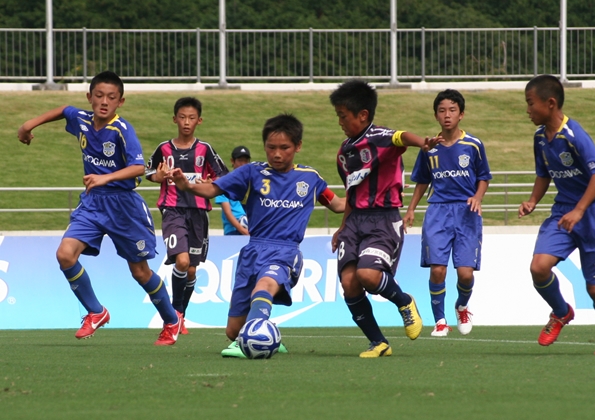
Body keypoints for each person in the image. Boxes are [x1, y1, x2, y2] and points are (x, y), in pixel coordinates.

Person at [17, 71, 183, 345]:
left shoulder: (122, 129)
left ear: (121, 102)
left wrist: (104, 177)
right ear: (89, 97)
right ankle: (96, 311)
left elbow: (139, 167)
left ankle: (171, 320)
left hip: (124, 207)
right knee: (65, 255)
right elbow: (64, 110)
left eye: (111, 97)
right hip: (93, 203)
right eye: (99, 95)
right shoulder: (81, 120)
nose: (104, 101)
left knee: (140, 272)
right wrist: (28, 125)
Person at [169, 113, 345, 358]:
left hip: (285, 250)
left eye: (285, 148)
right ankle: (267, 336)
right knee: (232, 331)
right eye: (271, 147)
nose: (277, 154)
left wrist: (372, 199)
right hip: (253, 250)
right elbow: (213, 188)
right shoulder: (252, 172)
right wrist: (187, 186)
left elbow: (337, 204)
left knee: (265, 285)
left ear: (298, 146)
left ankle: (253, 337)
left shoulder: (310, 178)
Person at [330, 79, 433, 358]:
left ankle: (404, 301)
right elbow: (351, 193)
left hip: (382, 221)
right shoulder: (343, 153)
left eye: (343, 116)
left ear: (362, 115)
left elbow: (403, 136)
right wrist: (341, 228)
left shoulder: (379, 137)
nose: (339, 121)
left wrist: (423, 143)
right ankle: (378, 342)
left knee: (368, 275)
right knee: (349, 282)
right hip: (354, 223)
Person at [519, 74, 595, 355]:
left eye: (531, 103)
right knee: (538, 267)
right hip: (564, 211)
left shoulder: (573, 134)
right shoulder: (540, 138)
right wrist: (532, 200)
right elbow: (544, 174)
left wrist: (580, 209)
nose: (527, 110)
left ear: (550, 104)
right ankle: (561, 312)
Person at [403, 89, 491, 337]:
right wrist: (411, 209)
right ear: (436, 115)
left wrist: (477, 196)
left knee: (465, 273)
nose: (447, 115)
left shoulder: (473, 145)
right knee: (438, 269)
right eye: (442, 110)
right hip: (438, 212)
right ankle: (440, 320)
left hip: (467, 212)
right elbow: (421, 181)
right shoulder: (429, 147)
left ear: (461, 114)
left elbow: (484, 177)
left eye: (452, 110)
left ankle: (462, 305)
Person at [146, 97, 229, 335]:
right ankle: (175, 314)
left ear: (199, 121)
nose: (186, 122)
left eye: (191, 118)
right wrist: (158, 177)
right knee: (181, 262)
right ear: (174, 119)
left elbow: (224, 176)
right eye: (182, 117)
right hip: (172, 211)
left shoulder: (205, 149)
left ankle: (180, 313)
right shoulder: (164, 148)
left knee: (191, 270)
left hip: (199, 213)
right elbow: (147, 171)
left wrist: (210, 182)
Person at [214, 146, 251, 236]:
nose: (243, 164)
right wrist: (242, 230)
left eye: (246, 161)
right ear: (232, 161)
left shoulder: (252, 182)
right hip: (233, 231)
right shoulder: (224, 182)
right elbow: (227, 212)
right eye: (240, 160)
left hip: (250, 229)